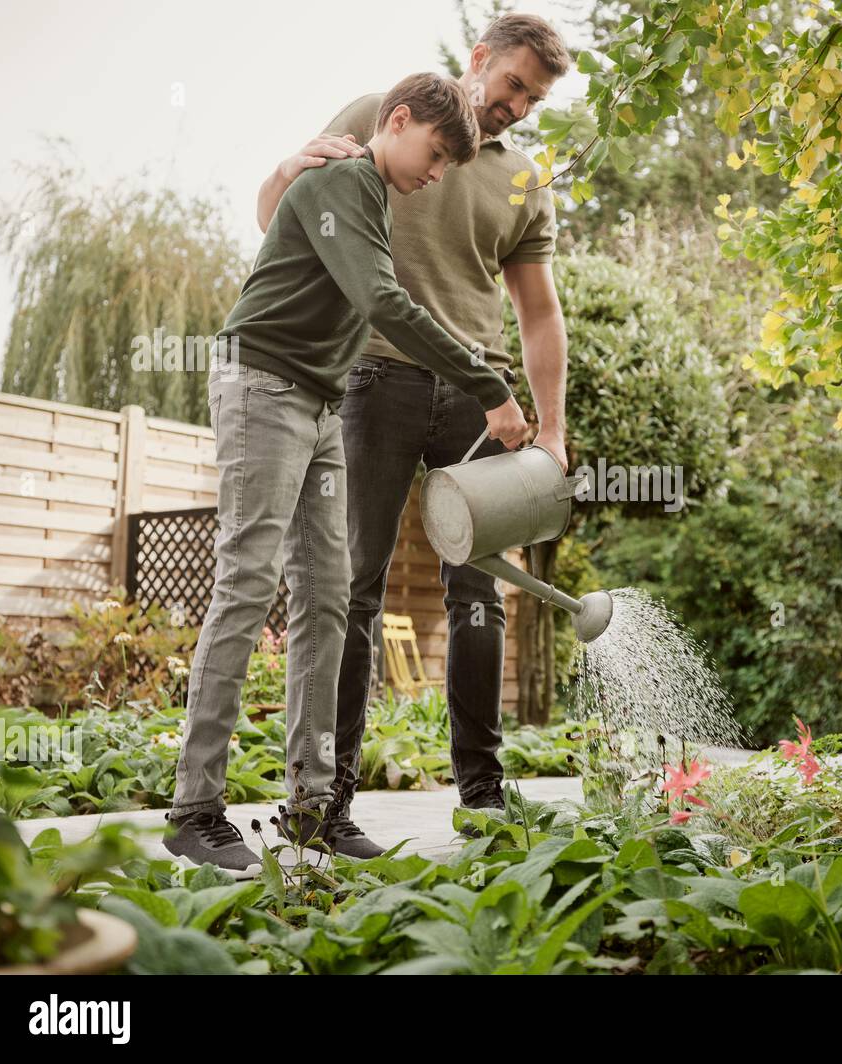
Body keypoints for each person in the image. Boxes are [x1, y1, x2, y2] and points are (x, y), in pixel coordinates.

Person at [165, 72, 528, 877]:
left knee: (329, 596)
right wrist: (490, 384)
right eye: (434, 156)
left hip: (322, 401)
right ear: (396, 121)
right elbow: (385, 304)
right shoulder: (341, 180)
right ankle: (194, 807)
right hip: (262, 383)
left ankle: (313, 809)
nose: (436, 176)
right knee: (248, 581)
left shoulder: (373, 192)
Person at [255, 13, 572, 854]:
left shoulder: (523, 180)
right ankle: (325, 802)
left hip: (480, 397)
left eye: (534, 99)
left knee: (480, 591)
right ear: (479, 60)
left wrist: (553, 428)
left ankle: (485, 795)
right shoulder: (381, 112)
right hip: (374, 378)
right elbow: (280, 217)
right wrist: (288, 164)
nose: (518, 107)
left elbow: (540, 313)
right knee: (353, 587)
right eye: (512, 85)